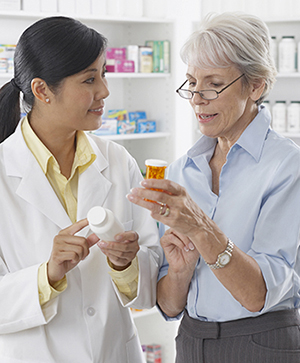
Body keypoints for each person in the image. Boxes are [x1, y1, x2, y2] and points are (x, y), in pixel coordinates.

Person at [127, 12, 300, 363]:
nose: (197, 98)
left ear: (256, 86)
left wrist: (200, 229)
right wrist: (180, 268)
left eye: (213, 83)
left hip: (263, 343)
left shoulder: (286, 167)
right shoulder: (182, 171)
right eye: (191, 82)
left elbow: (257, 296)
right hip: (191, 341)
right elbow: (170, 305)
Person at [0, 16, 162, 363]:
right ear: (42, 90)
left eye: (104, 74)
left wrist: (127, 265)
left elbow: (149, 288)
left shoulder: (117, 162)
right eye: (89, 79)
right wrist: (47, 274)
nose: (104, 91)